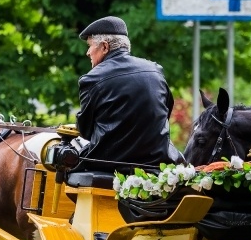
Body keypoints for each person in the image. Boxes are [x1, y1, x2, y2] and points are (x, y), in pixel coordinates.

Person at [74, 15, 182, 173]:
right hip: (157, 163)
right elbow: (165, 113)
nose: (88, 52)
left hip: (107, 165)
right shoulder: (155, 70)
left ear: (105, 47)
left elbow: (85, 130)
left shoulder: (92, 79)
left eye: (90, 46)